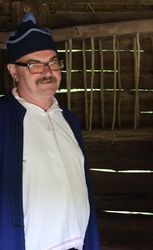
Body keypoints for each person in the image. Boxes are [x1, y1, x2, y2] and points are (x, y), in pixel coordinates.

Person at [0, 13, 100, 250]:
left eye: (53, 62)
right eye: (34, 65)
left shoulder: (68, 119)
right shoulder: (3, 119)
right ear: (14, 71)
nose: (48, 72)